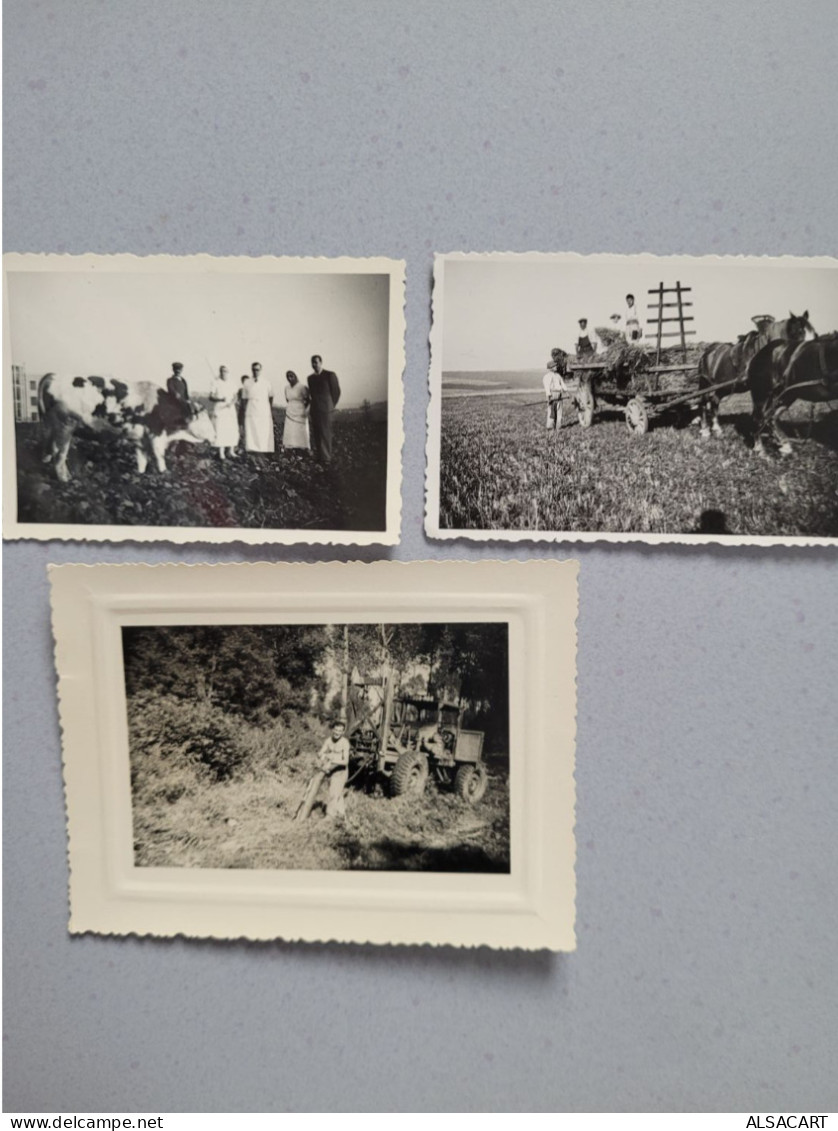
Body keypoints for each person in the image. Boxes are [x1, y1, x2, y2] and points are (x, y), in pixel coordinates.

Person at [307, 355, 341, 464]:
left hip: (326, 410)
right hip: (315, 409)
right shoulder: (310, 378)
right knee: (317, 433)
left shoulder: (329, 375)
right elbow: (312, 394)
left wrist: (330, 405)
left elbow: (336, 392)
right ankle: (320, 456)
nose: (314, 365)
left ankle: (327, 458)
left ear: (321, 362)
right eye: (312, 362)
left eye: (316, 362)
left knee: (325, 433)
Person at [316, 719, 351, 818]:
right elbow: (320, 753)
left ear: (343, 732)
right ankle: (341, 815)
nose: (337, 733)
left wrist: (333, 759)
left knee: (333, 793)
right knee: (337, 793)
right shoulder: (328, 740)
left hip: (341, 772)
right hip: (330, 771)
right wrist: (324, 755)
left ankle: (329, 816)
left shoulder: (345, 743)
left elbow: (345, 761)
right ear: (333, 730)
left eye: (340, 731)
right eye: (336, 730)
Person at [241, 361, 275, 453]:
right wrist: (244, 409)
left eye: (257, 370)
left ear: (260, 370)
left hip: (263, 407)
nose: (255, 371)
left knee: (263, 428)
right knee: (251, 428)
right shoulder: (247, 382)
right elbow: (244, 398)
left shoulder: (266, 382)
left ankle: (264, 448)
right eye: (254, 370)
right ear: (251, 370)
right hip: (251, 407)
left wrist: (269, 408)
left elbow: (271, 396)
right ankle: (252, 448)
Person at [208, 365, 239, 460]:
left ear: (228, 372)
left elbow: (236, 396)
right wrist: (220, 399)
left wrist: (232, 402)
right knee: (221, 429)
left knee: (232, 429)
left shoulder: (232, 383)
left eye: (226, 371)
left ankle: (231, 451)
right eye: (222, 371)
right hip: (220, 409)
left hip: (230, 409)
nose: (224, 373)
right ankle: (221, 453)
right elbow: (210, 397)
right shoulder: (215, 382)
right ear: (219, 372)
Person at [282, 370, 310, 451]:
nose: (290, 378)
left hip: (300, 410)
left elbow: (308, 400)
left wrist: (305, 411)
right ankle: (290, 447)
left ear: (296, 376)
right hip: (290, 410)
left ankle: (302, 447)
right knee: (290, 429)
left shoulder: (302, 387)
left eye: (291, 376)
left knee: (300, 429)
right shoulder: (286, 388)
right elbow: (287, 399)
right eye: (288, 377)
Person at [543, 359, 565, 431]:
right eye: (554, 366)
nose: (556, 367)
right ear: (551, 368)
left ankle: (559, 426)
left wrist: (566, 391)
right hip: (552, 394)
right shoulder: (547, 377)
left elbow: (562, 384)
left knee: (559, 411)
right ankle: (550, 427)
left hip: (559, 394)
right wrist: (548, 396)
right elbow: (547, 387)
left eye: (556, 365)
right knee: (551, 411)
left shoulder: (558, 375)